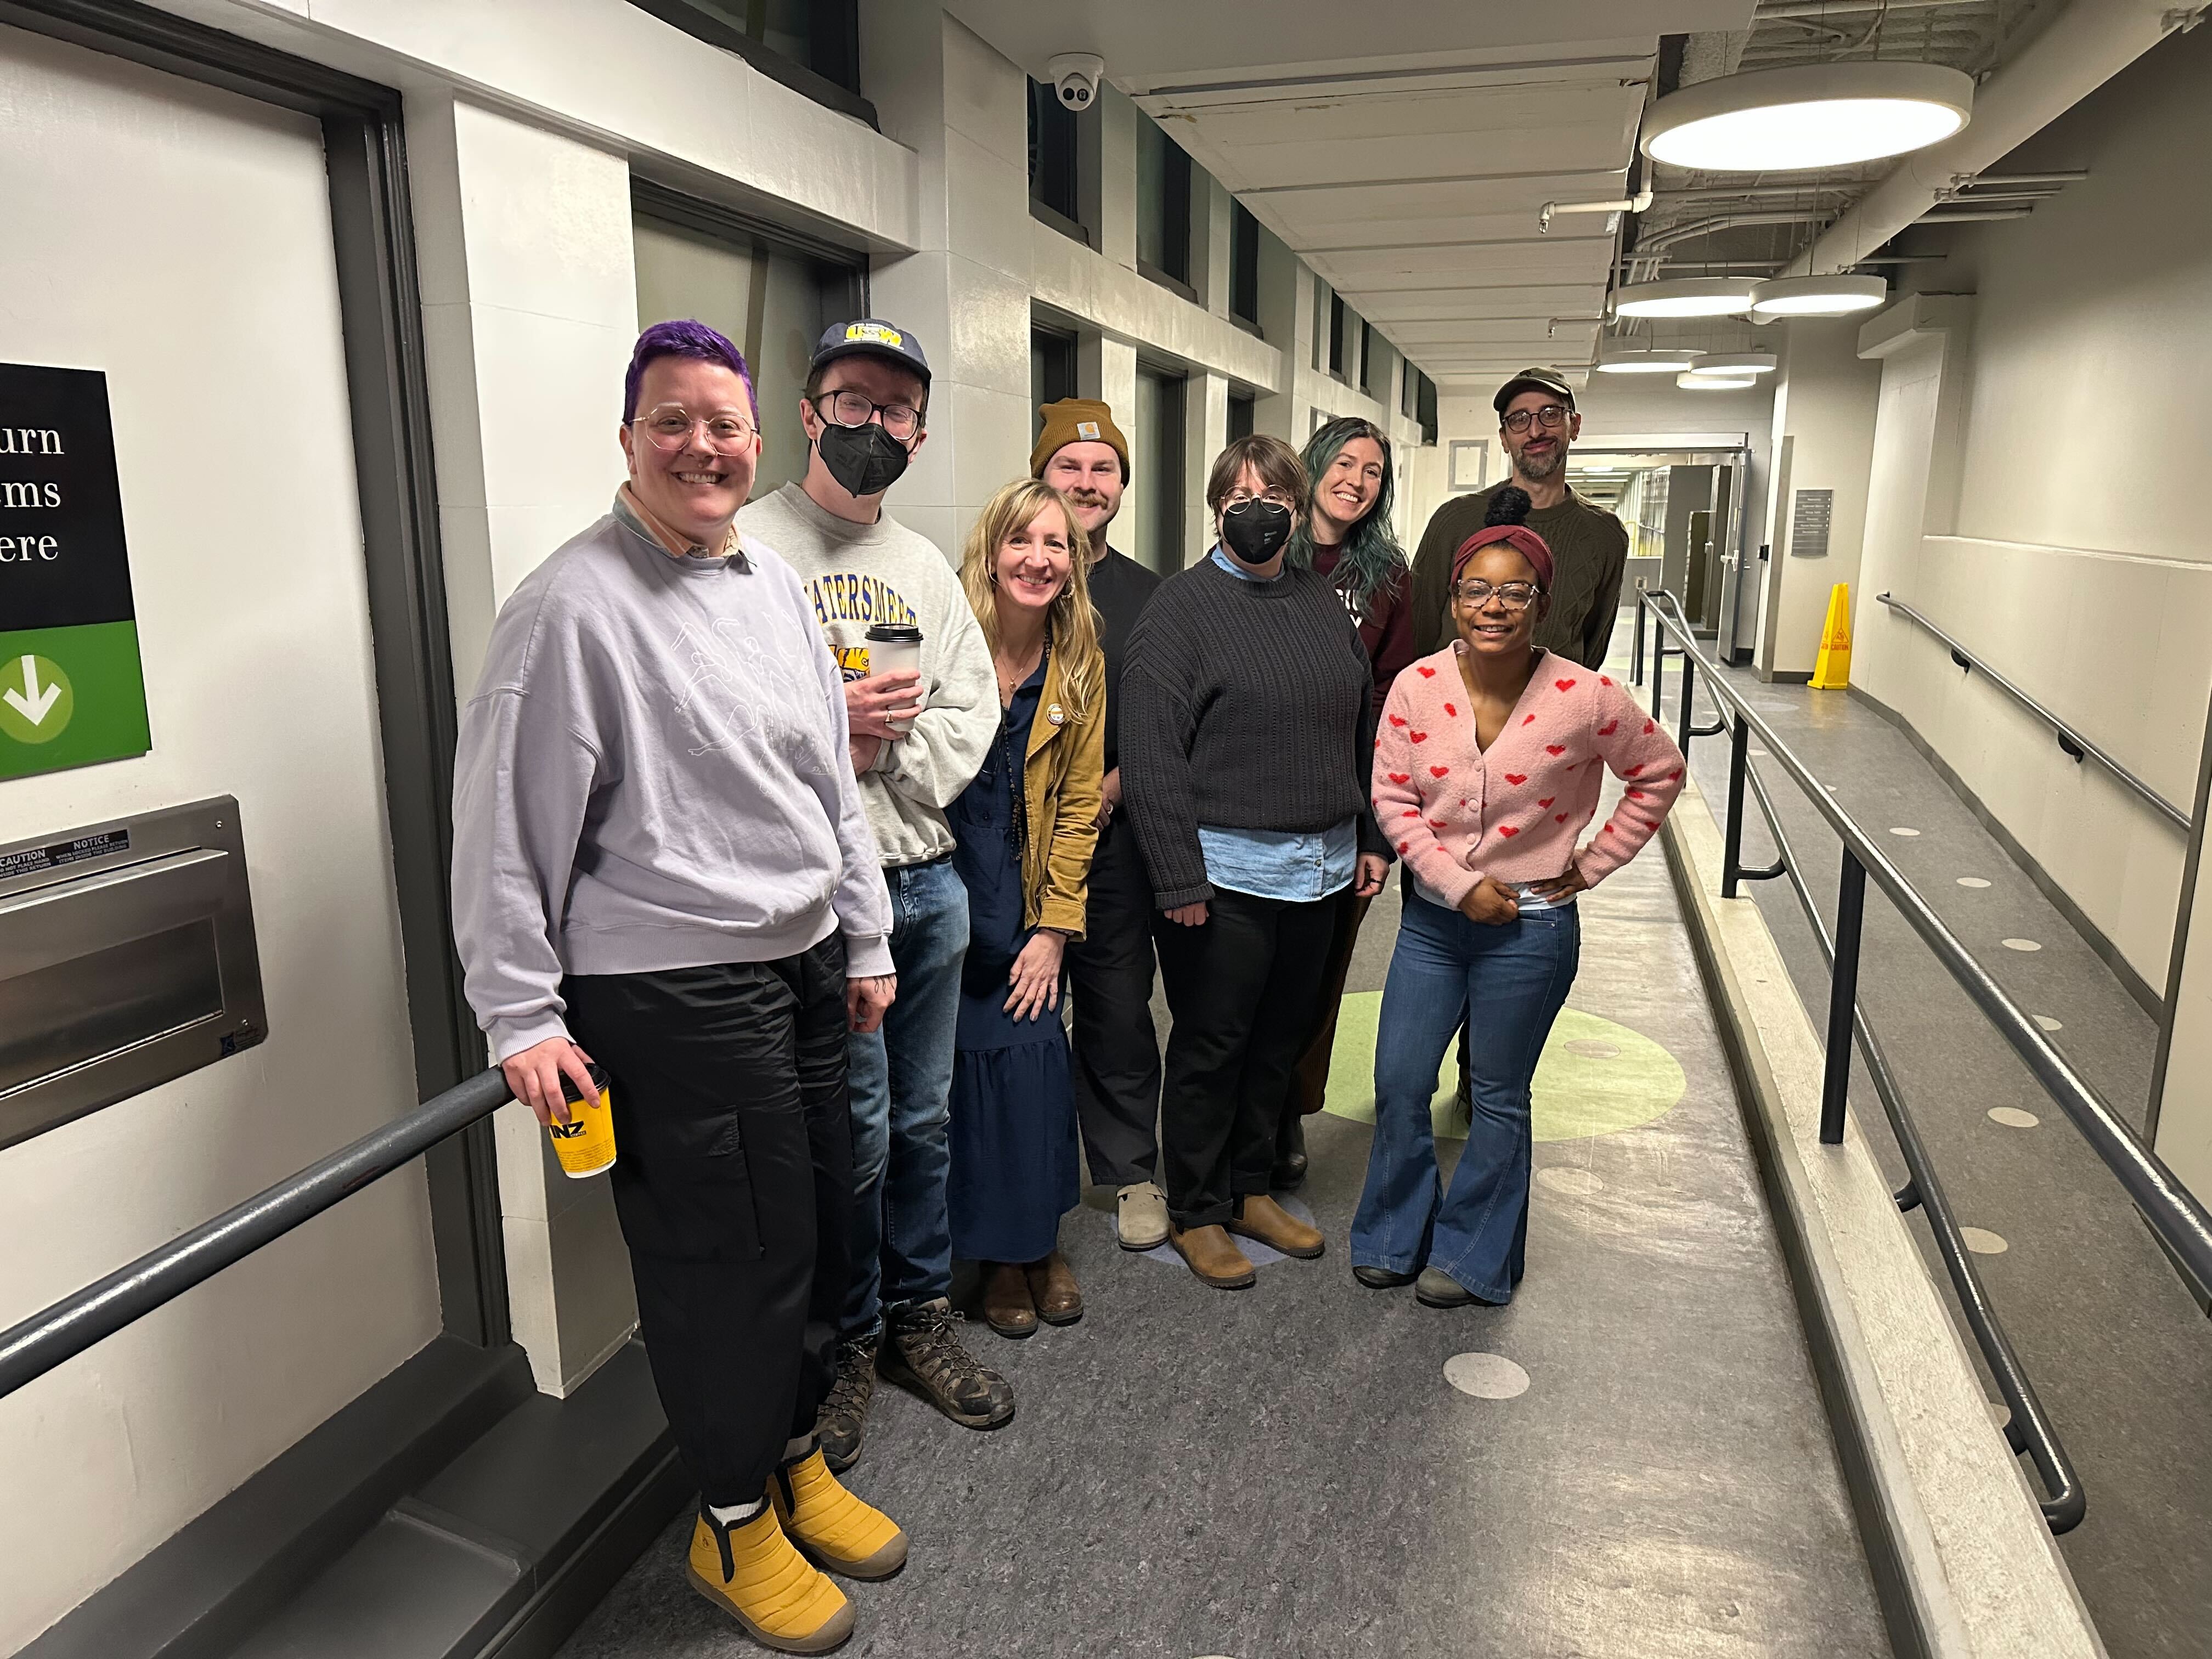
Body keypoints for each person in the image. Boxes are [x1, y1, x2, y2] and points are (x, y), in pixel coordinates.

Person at [451, 321, 906, 1652]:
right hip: (673, 991)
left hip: (800, 964)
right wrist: (520, 1012)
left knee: (817, 1231)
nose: (701, 447)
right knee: (727, 1265)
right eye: (672, 422)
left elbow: (829, 784)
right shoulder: (568, 610)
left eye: (723, 424)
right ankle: (730, 1516)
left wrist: (864, 937)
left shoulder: (771, 583)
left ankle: (791, 1458)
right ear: (630, 439)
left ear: (760, 440)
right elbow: (502, 828)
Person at [736, 319, 1011, 1472]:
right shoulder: (745, 548)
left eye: (896, 410)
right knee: (846, 1134)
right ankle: (847, 1336)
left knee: (922, 1122)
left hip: (927, 886)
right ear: (808, 413)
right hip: (815, 906)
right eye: (851, 400)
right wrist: (829, 725)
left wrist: (879, 750)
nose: (872, 425)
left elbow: (968, 718)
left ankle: (918, 1315)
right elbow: (717, 724)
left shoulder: (922, 569)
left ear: (920, 433)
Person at [1352, 488, 1684, 1308]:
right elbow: (1392, 798)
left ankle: (1473, 1255)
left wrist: (1595, 862)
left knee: (1499, 1095)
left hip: (1533, 928)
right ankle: (1394, 1233)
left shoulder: (1586, 697)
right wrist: (1460, 886)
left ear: (1541, 603)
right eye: (1476, 589)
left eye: (1513, 591)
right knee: (1401, 1080)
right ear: (1454, 598)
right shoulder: (1416, 687)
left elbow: (1659, 770)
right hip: (1434, 925)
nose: (1492, 606)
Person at [1120, 433, 1391, 1291]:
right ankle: (1198, 1208)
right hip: (1222, 876)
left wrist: (1370, 835)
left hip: (1320, 869)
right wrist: (1178, 877)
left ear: (1298, 510)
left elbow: (1360, 721)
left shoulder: (1318, 600)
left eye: (1275, 496)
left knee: (1278, 1042)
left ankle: (1249, 1189)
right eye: (1239, 496)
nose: (1258, 510)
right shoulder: (1180, 608)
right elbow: (1151, 752)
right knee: (1213, 1044)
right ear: (1215, 509)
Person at [945, 479, 1106, 1337]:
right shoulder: (947, 640)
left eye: (1055, 544)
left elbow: (1079, 806)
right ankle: (998, 1257)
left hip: (1031, 891)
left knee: (1035, 1065)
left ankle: (1038, 1244)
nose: (1038, 560)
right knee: (969, 1078)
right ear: (991, 551)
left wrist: (1054, 930)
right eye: (1021, 541)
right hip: (951, 888)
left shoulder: (1079, 661)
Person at [1032, 399, 1169, 1251]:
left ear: (1121, 485)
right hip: (1020, 844)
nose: (1087, 483)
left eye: (1103, 469)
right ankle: (1032, 1178)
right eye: (1069, 468)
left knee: (1118, 1009)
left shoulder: (1152, 597)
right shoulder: (1008, 578)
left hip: (1114, 842)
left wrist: (1105, 793)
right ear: (1040, 476)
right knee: (1025, 1018)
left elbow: (1163, 724)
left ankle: (1130, 1172)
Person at [1277, 415, 1417, 1184]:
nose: (1356, 482)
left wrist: (1377, 833)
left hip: (1347, 804)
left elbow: (1396, 701)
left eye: (1373, 472)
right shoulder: (1267, 549)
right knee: (1250, 974)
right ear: (1314, 465)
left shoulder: (1386, 577)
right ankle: (1241, 1112)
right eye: (1344, 463)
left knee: (1321, 971)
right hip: (1259, 796)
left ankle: (1290, 1111)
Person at [1406, 367, 1628, 670]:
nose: (1535, 432)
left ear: (1574, 425)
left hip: (1557, 699)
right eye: (1519, 419)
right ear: (1504, 438)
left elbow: (1592, 648)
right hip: (1454, 696)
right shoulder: (1455, 521)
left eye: (1550, 414)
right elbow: (1417, 631)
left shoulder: (1605, 535)